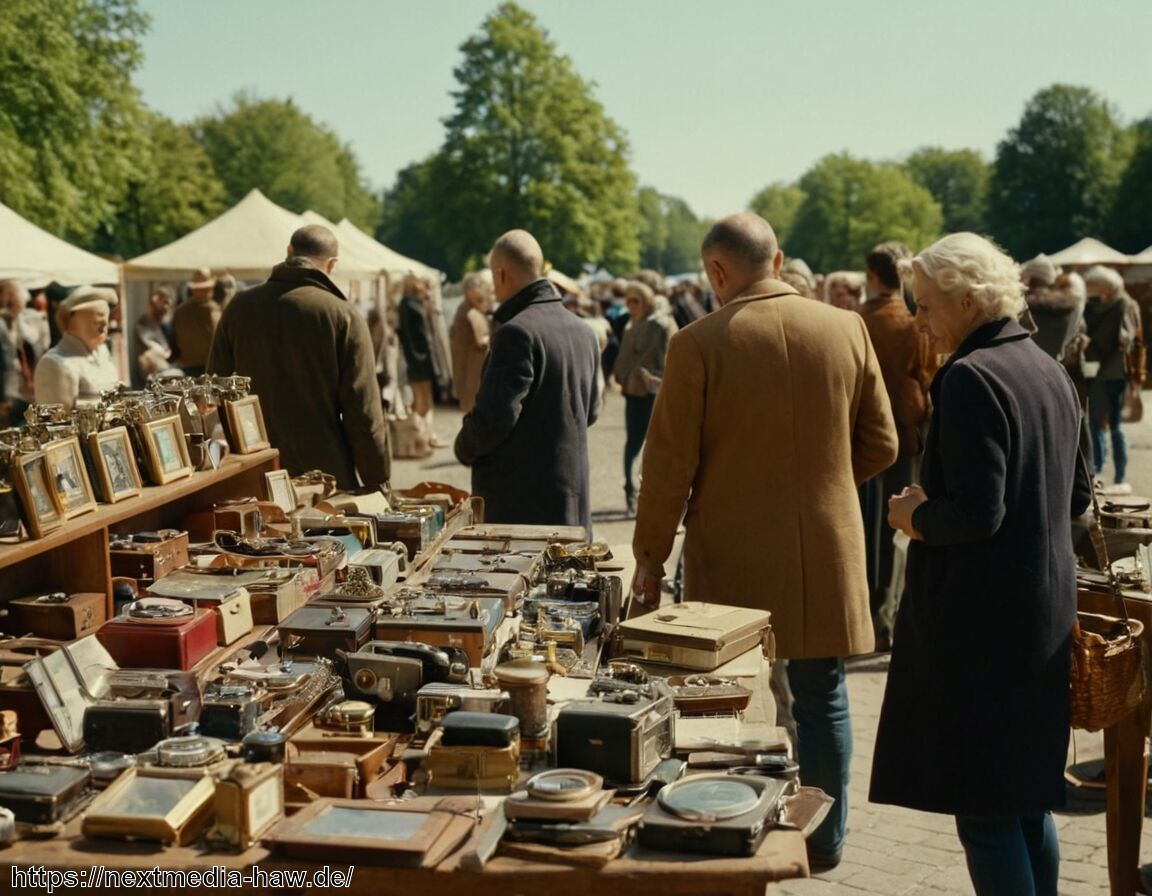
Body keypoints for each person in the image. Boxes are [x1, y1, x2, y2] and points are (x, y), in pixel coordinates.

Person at [632, 212, 898, 870]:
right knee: (824, 693)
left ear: (718, 272)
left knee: (711, 695)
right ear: (778, 262)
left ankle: (711, 821)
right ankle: (826, 841)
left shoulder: (698, 343)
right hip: (823, 548)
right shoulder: (845, 327)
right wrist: (825, 486)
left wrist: (648, 561)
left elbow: (667, 471)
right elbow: (884, 443)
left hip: (731, 545)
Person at [872, 233, 1091, 896]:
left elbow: (976, 514)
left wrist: (913, 516)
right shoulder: (1045, 366)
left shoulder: (970, 377)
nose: (920, 319)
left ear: (969, 300)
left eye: (929, 305)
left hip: (984, 627)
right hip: (1043, 615)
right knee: (1022, 798)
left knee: (988, 814)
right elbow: (1079, 498)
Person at [207, 224, 391, 490]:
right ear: (331, 264)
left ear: (289, 252)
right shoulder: (343, 315)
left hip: (255, 468)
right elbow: (362, 410)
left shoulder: (239, 307)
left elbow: (214, 391)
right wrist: (377, 478)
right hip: (325, 473)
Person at [455, 229, 600, 534]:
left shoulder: (516, 332)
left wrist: (463, 445)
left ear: (502, 274)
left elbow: (494, 420)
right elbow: (591, 411)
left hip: (523, 508)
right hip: (571, 498)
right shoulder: (583, 330)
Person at [857, 241, 935, 647]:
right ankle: (884, 619)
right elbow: (927, 376)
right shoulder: (911, 321)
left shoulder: (855, 320)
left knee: (864, 529)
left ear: (872, 274)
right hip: (903, 436)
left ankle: (867, 617)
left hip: (861, 437)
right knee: (896, 529)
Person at [612, 280, 677, 517]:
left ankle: (652, 497)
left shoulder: (659, 325)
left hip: (657, 391)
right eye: (627, 301)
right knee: (634, 444)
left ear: (646, 301)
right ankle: (631, 492)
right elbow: (622, 361)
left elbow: (668, 358)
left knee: (658, 446)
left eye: (635, 301)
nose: (630, 305)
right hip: (635, 392)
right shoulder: (632, 326)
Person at [1082, 265, 1138, 493]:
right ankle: (1101, 472)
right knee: (1099, 424)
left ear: (1108, 287)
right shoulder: (1107, 305)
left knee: (1111, 425)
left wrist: (1091, 343)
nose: (1094, 293)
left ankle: (1118, 475)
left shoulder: (1123, 305)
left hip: (1112, 372)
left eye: (1096, 288)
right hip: (1105, 372)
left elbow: (1125, 341)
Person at [33, 286, 122, 410]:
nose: (103, 329)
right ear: (71, 322)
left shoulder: (103, 353)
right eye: (96, 323)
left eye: (105, 323)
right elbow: (58, 425)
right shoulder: (54, 363)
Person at [397, 275, 442, 445]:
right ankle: (421, 435)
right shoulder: (412, 307)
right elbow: (420, 337)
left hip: (416, 359)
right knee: (424, 400)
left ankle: (425, 435)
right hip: (420, 360)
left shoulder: (407, 305)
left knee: (423, 400)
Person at [450, 270, 493, 414]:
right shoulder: (468, 312)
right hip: (471, 366)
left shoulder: (471, 309)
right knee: (471, 407)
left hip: (473, 364)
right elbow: (481, 340)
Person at [172, 267, 221, 375]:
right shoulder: (213, 309)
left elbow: (174, 343)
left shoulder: (180, 311)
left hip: (188, 366)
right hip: (211, 367)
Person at [132, 287, 179, 386]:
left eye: (168, 303)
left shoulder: (166, 323)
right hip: (151, 371)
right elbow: (153, 346)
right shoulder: (144, 323)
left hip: (166, 369)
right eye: (164, 303)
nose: (166, 307)